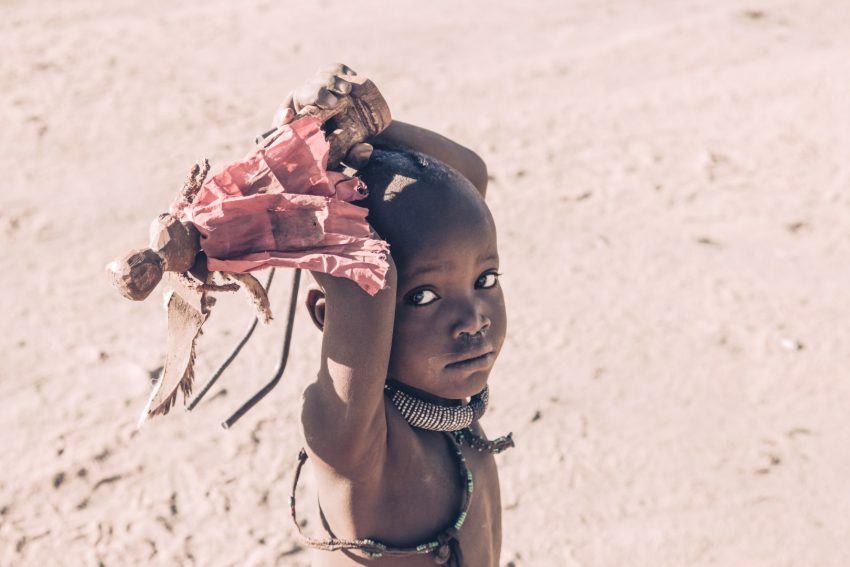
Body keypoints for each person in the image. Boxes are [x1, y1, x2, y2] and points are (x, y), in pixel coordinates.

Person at [281, 64, 513, 566]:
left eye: (486, 281)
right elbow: (371, 280)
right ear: (328, 315)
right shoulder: (350, 441)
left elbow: (467, 181)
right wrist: (303, 148)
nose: (472, 319)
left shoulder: (444, 400)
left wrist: (368, 126)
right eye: (423, 297)